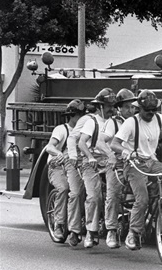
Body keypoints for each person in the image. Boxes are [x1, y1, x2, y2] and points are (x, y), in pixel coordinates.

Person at [111, 90, 162, 251]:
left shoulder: (159, 119)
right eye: (147, 110)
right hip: (133, 164)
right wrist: (126, 152)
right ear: (139, 108)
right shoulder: (131, 123)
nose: (150, 113)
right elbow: (114, 144)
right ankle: (133, 233)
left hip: (151, 162)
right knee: (141, 199)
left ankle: (157, 204)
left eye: (153, 110)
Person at [77, 88, 117, 248]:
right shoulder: (91, 122)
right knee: (94, 196)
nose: (111, 110)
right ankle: (90, 231)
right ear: (100, 106)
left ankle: (111, 230)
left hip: (108, 160)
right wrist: (90, 156)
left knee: (113, 193)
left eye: (113, 107)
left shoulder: (114, 122)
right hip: (91, 160)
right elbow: (81, 142)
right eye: (108, 107)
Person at [100, 88, 136, 248]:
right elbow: (101, 141)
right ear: (118, 108)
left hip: (134, 163)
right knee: (113, 194)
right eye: (126, 107)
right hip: (116, 163)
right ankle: (111, 230)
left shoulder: (137, 122)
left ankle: (135, 230)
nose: (130, 110)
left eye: (132, 106)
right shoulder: (112, 123)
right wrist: (112, 156)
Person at [45, 99, 85, 241]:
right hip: (58, 166)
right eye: (79, 115)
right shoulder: (62, 129)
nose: (82, 118)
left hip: (77, 167)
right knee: (64, 188)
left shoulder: (85, 131)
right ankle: (59, 224)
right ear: (72, 115)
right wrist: (59, 154)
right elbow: (49, 147)